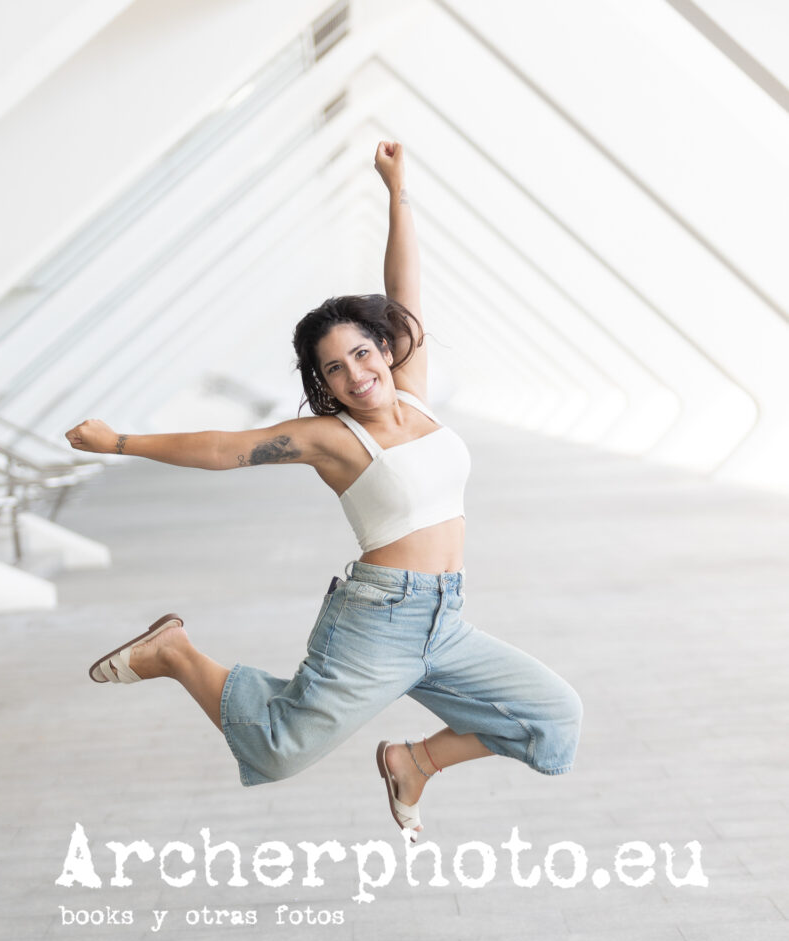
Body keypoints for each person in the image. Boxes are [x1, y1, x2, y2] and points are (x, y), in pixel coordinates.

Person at [65, 140, 583, 841]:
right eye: (334, 370)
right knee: (279, 751)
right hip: (377, 624)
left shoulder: (418, 397)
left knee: (553, 716)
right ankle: (176, 653)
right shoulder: (334, 438)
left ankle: (415, 761)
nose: (356, 375)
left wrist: (397, 187)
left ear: (384, 348)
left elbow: (406, 291)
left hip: (445, 619)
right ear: (324, 384)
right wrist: (120, 442)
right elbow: (224, 449)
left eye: (362, 354)